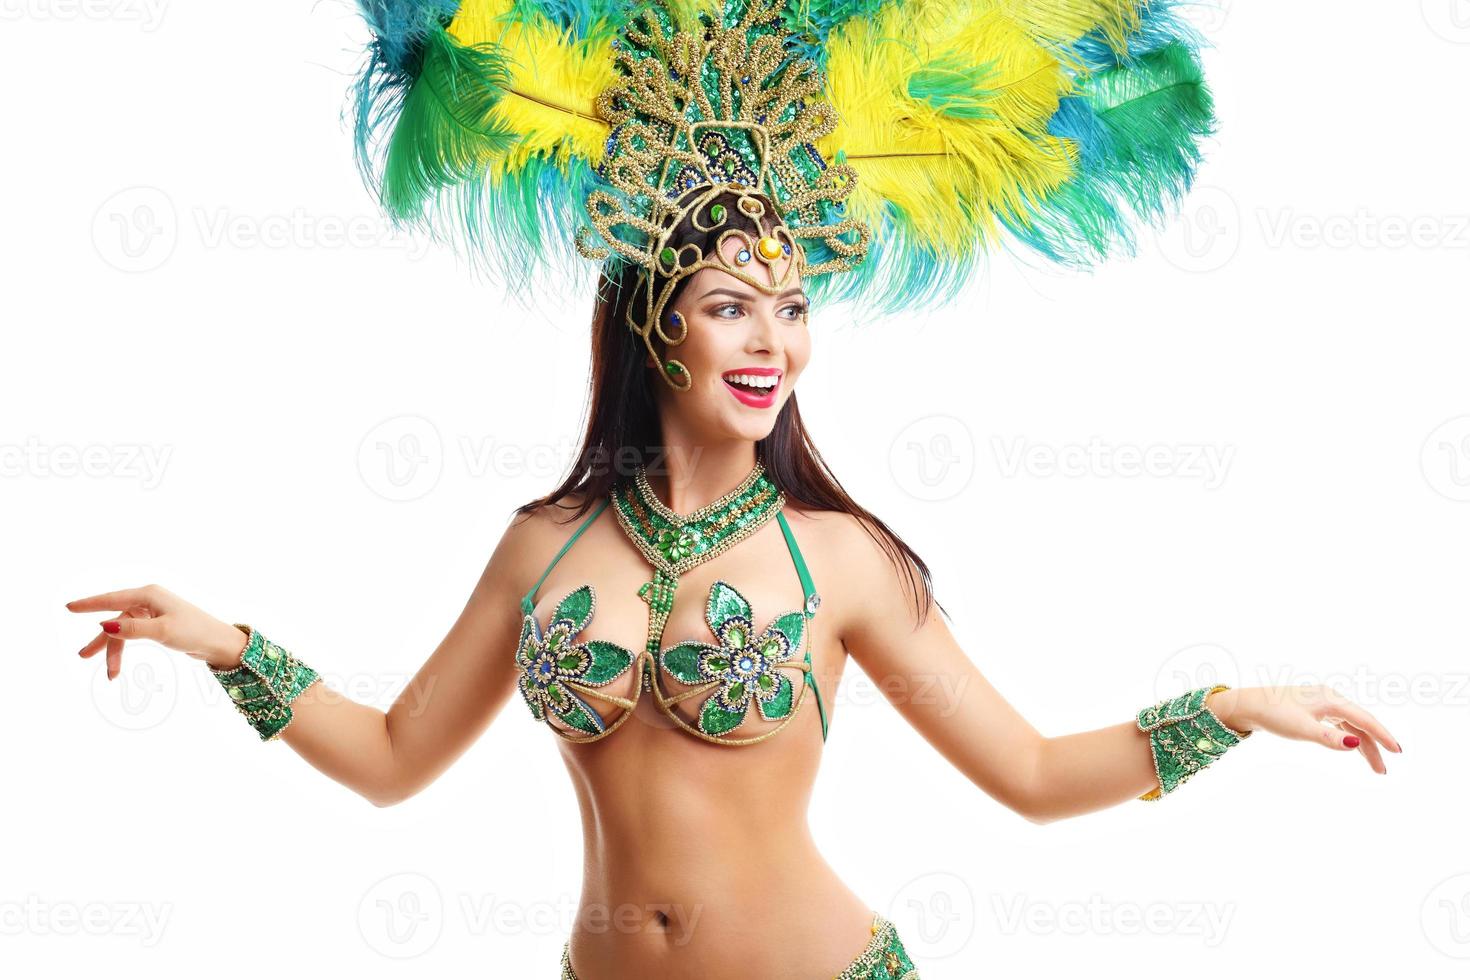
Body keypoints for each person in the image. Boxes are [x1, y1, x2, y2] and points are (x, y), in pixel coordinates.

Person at [66, 2, 1403, 978]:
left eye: (793, 308)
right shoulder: (540, 547)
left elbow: (1035, 776)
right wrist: (226, 646)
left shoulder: (841, 563)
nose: (774, 343)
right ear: (655, 324)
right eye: (729, 308)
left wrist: (1227, 706)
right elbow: (394, 761)